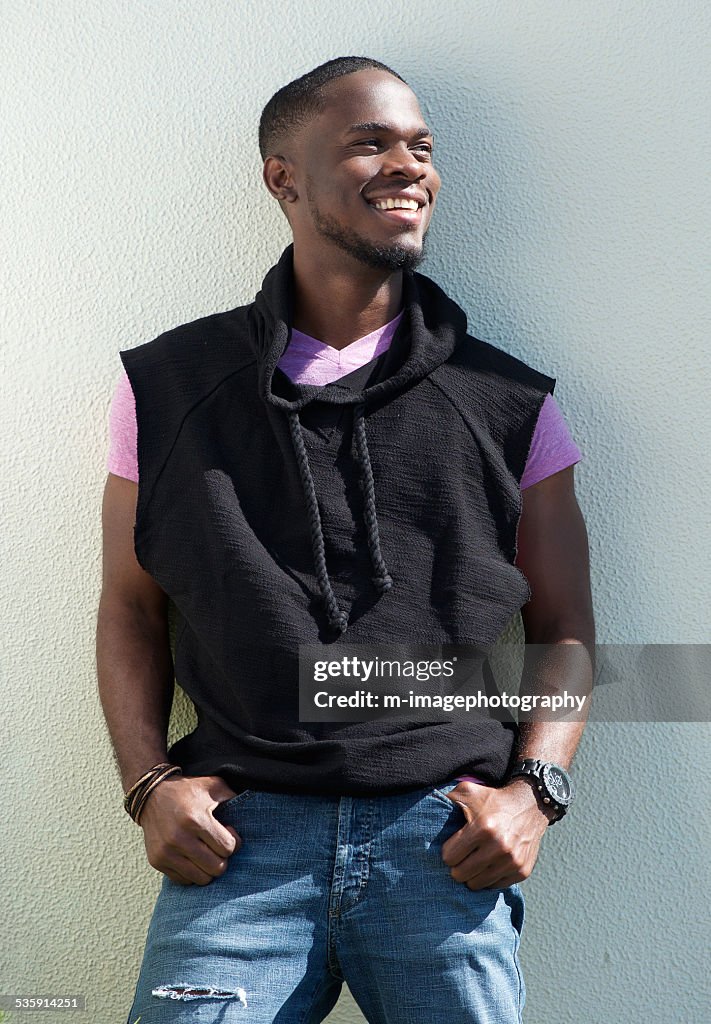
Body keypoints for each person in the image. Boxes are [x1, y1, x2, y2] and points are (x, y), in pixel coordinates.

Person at [97, 56, 594, 1024]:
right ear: (283, 177)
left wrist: (536, 791)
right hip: (241, 841)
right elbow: (129, 605)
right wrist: (149, 783)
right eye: (369, 141)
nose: (408, 165)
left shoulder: (513, 404)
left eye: (421, 146)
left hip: (442, 839)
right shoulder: (166, 386)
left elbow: (566, 626)